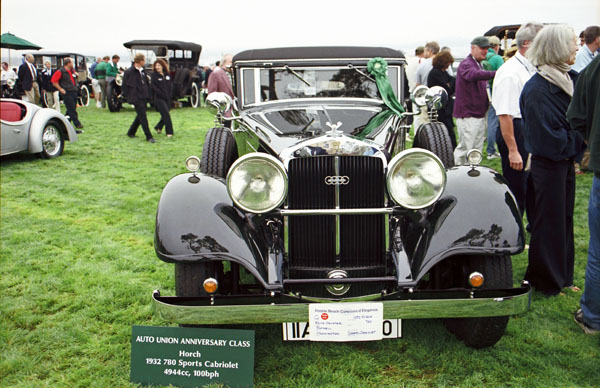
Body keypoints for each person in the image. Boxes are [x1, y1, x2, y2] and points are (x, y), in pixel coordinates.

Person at [519, 24, 586, 296]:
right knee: (549, 224)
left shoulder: (568, 78)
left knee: (565, 220)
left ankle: (563, 276)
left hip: (563, 163)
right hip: (548, 166)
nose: (577, 47)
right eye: (572, 42)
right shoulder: (537, 90)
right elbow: (549, 140)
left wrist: (575, 138)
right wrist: (579, 139)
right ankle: (546, 280)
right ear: (557, 47)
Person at [492, 22, 543, 223]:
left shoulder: (529, 68)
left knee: (531, 184)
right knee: (517, 187)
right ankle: (513, 229)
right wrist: (513, 149)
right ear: (528, 44)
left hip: (527, 130)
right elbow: (504, 115)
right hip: (515, 131)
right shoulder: (510, 73)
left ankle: (531, 225)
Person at [568, 54, 600, 334]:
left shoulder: (594, 68)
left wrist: (593, 141)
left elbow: (576, 116)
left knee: (598, 251)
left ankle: (593, 317)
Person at [452, 36, 496, 165]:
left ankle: (473, 173)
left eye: (487, 49)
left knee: (476, 149)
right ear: (473, 48)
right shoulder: (467, 64)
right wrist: (496, 73)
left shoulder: (478, 64)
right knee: (466, 148)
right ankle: (460, 175)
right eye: (482, 48)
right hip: (468, 114)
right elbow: (473, 75)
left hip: (477, 113)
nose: (485, 51)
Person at [427, 50, 457, 149]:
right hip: (440, 109)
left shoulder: (441, 72)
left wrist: (450, 84)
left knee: (450, 132)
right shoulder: (436, 73)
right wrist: (449, 85)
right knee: (447, 133)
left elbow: (452, 81)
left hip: (445, 108)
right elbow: (448, 89)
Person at [123, 53, 154, 143]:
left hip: (144, 96)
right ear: (140, 61)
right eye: (144, 60)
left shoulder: (143, 71)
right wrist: (129, 97)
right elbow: (125, 86)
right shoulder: (129, 72)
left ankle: (131, 132)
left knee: (140, 115)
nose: (145, 62)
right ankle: (149, 136)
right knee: (143, 117)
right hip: (136, 98)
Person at [483, 36, 504, 159]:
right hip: (494, 93)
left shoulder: (482, 58)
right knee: (493, 121)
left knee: (486, 120)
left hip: (483, 92)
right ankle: (491, 150)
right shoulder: (497, 58)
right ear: (496, 46)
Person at [51, 58, 83, 131]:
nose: (73, 64)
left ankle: (65, 122)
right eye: (72, 62)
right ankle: (77, 123)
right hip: (67, 92)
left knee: (71, 108)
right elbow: (54, 82)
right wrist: (61, 89)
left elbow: (76, 79)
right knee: (71, 108)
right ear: (68, 63)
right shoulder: (60, 71)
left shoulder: (72, 71)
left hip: (74, 91)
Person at [207, 54, 234, 128]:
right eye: (231, 62)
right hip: (225, 112)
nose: (233, 64)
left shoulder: (235, 74)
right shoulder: (216, 74)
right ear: (224, 63)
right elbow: (212, 94)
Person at [151, 59, 174, 137]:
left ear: (162, 66)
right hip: (159, 98)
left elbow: (170, 85)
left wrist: (170, 94)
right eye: (156, 65)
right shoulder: (154, 76)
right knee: (166, 115)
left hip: (167, 98)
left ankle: (158, 127)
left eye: (159, 65)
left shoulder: (167, 75)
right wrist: (160, 93)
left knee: (165, 113)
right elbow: (153, 87)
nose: (157, 67)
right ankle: (169, 132)